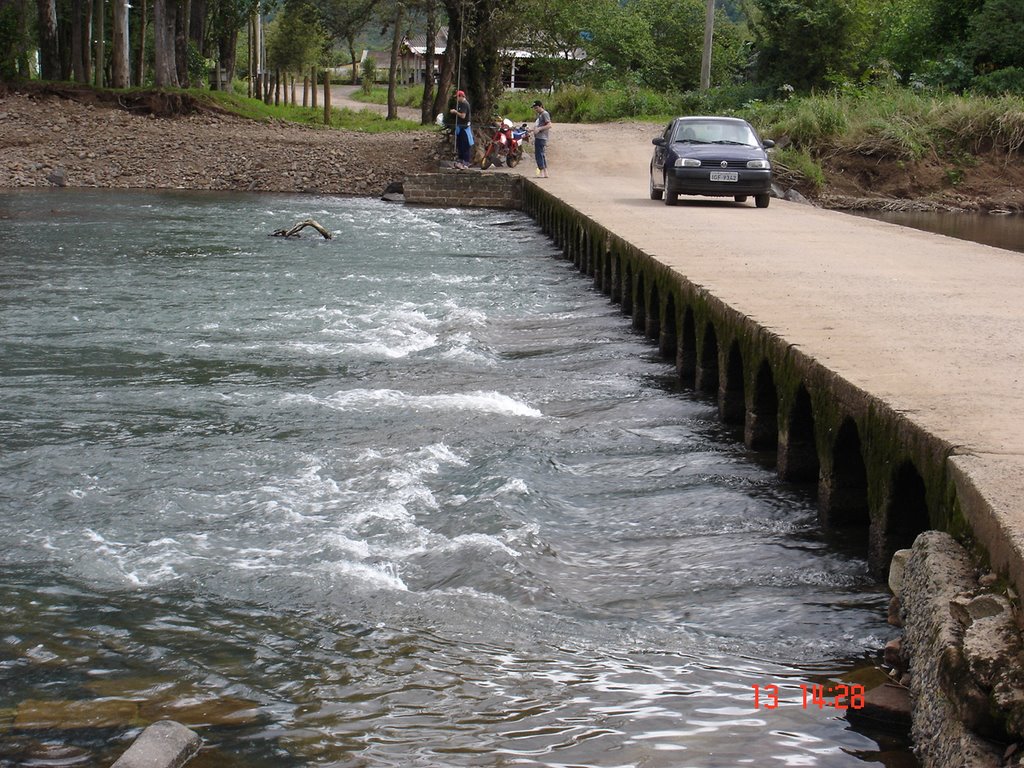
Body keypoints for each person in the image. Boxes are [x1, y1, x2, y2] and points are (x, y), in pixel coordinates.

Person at [450, 90, 473, 169]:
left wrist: (455, 112)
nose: (456, 99)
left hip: (464, 128)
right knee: (459, 145)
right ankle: (460, 160)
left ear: (461, 96)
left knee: (465, 145)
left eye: (457, 97)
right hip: (460, 127)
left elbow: (463, 116)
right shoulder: (459, 104)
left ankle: (466, 162)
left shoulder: (464, 104)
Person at [530, 100, 552, 178]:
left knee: (538, 155)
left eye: (536, 108)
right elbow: (538, 125)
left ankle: (542, 172)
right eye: (534, 108)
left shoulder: (544, 114)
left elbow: (549, 125)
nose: (535, 109)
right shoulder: (540, 115)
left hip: (541, 137)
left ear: (541, 106)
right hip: (539, 137)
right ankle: (545, 172)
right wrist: (531, 129)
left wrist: (539, 129)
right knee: (541, 155)